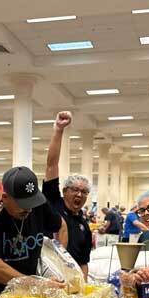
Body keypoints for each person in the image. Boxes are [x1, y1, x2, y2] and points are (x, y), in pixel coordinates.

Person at [0, 166, 66, 298]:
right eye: (23, 204)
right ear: (4, 197)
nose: (29, 209)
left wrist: (57, 263)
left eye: (32, 202)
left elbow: (61, 226)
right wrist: (35, 284)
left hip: (33, 293)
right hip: (0, 297)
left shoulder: (39, 204)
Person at [42, 111, 92, 276]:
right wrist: (58, 130)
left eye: (84, 192)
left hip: (72, 281)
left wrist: (83, 289)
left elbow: (84, 262)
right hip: (49, 275)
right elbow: (51, 165)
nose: (79, 195)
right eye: (75, 190)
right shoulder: (53, 202)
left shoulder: (84, 225)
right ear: (64, 191)